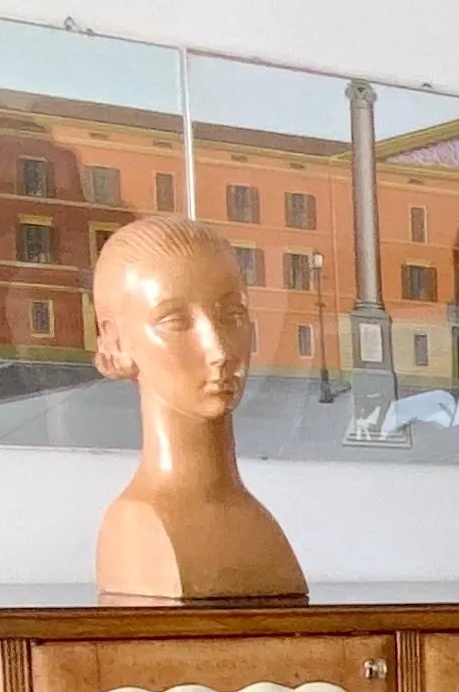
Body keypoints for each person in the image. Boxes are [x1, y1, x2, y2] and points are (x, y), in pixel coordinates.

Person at [92, 215, 306, 599]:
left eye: (232, 316)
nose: (220, 350)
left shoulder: (255, 525)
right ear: (115, 340)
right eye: (175, 321)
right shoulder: (139, 527)